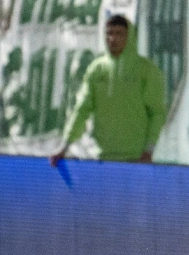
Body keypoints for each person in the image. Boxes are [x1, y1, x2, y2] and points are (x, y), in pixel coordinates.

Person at [49, 14, 167, 165]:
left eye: (119, 34)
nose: (113, 39)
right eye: (109, 33)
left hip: (136, 159)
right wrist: (64, 147)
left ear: (130, 37)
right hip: (102, 158)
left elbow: (157, 113)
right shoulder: (96, 70)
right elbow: (81, 110)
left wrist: (149, 150)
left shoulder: (146, 70)